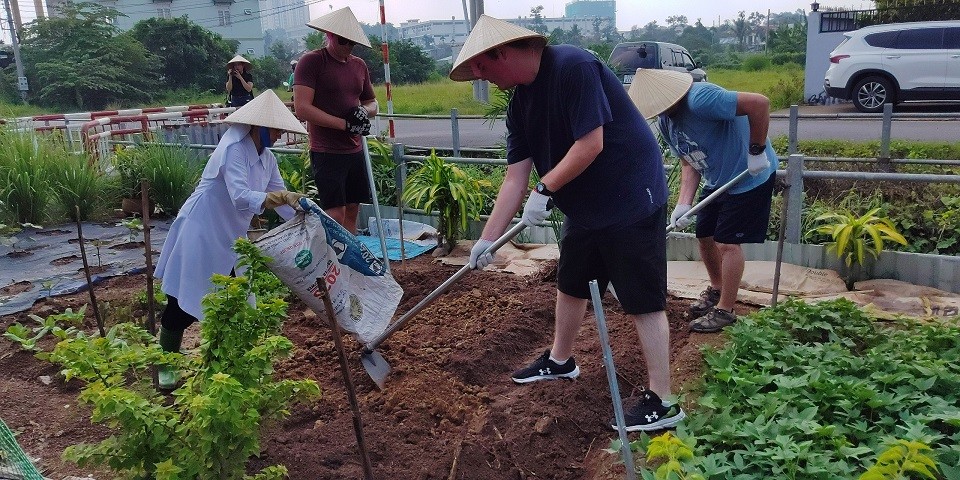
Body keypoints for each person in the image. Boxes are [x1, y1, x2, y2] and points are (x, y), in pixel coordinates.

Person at [450, 15, 684, 432]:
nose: (480, 78)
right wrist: (487, 242)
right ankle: (561, 360)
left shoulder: (573, 66)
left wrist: (545, 190)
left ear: (501, 53)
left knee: (641, 297)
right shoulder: (520, 104)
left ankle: (664, 400)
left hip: (629, 194)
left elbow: (590, 143)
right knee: (571, 281)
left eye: (481, 67)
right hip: (583, 201)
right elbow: (514, 176)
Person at [154, 89, 307, 389]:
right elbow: (241, 197)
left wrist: (304, 215)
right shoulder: (234, 150)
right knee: (184, 301)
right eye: (275, 130)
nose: (277, 136)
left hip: (231, 237)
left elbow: (283, 203)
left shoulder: (267, 159)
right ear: (259, 127)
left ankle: (237, 364)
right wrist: (281, 197)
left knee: (241, 299)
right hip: (202, 229)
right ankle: (165, 363)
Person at [627, 69, 777, 333]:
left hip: (749, 175)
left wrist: (756, 150)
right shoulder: (666, 121)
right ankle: (717, 289)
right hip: (717, 179)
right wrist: (683, 203)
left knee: (727, 243)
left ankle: (726, 310)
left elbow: (760, 104)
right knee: (705, 235)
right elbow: (689, 161)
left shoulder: (702, 99)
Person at [293, 6, 378, 234]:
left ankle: (347, 259)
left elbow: (373, 102)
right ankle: (330, 258)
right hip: (326, 150)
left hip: (354, 149)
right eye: (343, 41)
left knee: (352, 208)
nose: (348, 47)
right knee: (335, 213)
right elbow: (302, 108)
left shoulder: (358, 65)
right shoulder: (311, 62)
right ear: (330, 36)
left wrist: (363, 112)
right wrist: (344, 124)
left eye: (352, 43)